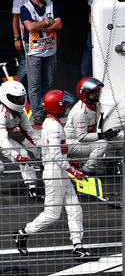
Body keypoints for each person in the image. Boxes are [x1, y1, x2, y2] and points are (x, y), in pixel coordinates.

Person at [14, 90, 90, 258]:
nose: (68, 108)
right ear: (59, 107)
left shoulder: (50, 123)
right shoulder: (55, 127)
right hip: (55, 172)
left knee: (74, 208)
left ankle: (77, 245)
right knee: (52, 214)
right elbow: (56, 155)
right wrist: (75, 171)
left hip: (57, 170)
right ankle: (23, 233)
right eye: (66, 105)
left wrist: (69, 167)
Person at [19, 0, 61, 124]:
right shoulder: (26, 8)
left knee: (48, 83)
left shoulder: (50, 5)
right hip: (34, 52)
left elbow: (59, 24)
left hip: (50, 51)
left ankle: (48, 109)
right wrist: (47, 22)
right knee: (35, 84)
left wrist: (40, 26)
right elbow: (30, 27)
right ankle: (37, 113)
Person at [65, 77, 115, 175]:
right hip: (70, 143)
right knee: (103, 144)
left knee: (101, 171)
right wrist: (102, 135)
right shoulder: (80, 112)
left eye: (98, 91)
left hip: (81, 142)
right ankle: (85, 171)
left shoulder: (97, 104)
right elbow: (82, 137)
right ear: (85, 94)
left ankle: (78, 164)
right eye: (94, 92)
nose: (97, 94)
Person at [11, 0, 50, 89]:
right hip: (28, 37)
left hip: (45, 38)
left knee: (45, 72)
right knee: (24, 70)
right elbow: (15, 17)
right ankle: (16, 97)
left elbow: (51, 13)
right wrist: (17, 38)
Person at [0, 80, 41, 198]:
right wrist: (15, 156)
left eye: (22, 98)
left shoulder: (20, 112)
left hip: (3, 138)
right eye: (16, 99)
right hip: (2, 138)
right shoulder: (1, 113)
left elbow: (30, 134)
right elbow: (2, 139)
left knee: (25, 155)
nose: (20, 101)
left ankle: (32, 188)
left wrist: (46, 148)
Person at [81, 0, 117, 78]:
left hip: (111, 28)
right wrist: (89, 16)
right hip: (96, 29)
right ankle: (85, 87)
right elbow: (90, 7)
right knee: (87, 61)